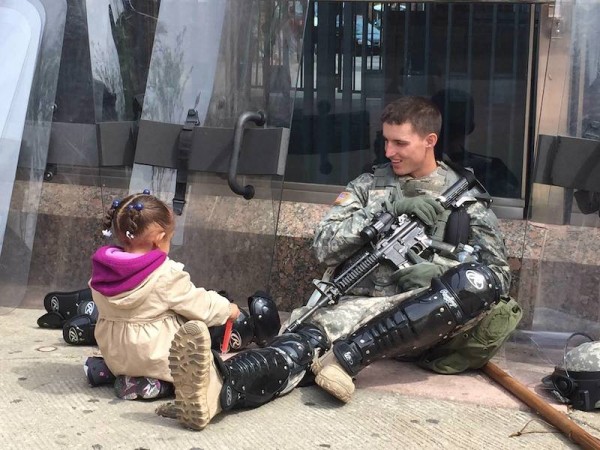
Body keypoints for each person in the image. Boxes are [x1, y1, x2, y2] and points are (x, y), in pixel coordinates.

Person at [163, 96, 522, 430]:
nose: (389, 151)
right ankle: (222, 387)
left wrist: (443, 273)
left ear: (429, 140)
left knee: (474, 283)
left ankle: (344, 359)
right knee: (299, 348)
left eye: (400, 143)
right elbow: (324, 246)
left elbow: (498, 276)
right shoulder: (370, 186)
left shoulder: (464, 199)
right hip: (354, 308)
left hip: (425, 319)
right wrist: (383, 211)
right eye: (385, 141)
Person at [86, 190, 240, 400]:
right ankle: (157, 384)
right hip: (155, 356)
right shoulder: (166, 275)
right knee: (194, 331)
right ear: (159, 239)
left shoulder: (102, 271)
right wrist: (227, 309)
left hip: (116, 353)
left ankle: (114, 373)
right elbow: (200, 305)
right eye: (169, 238)